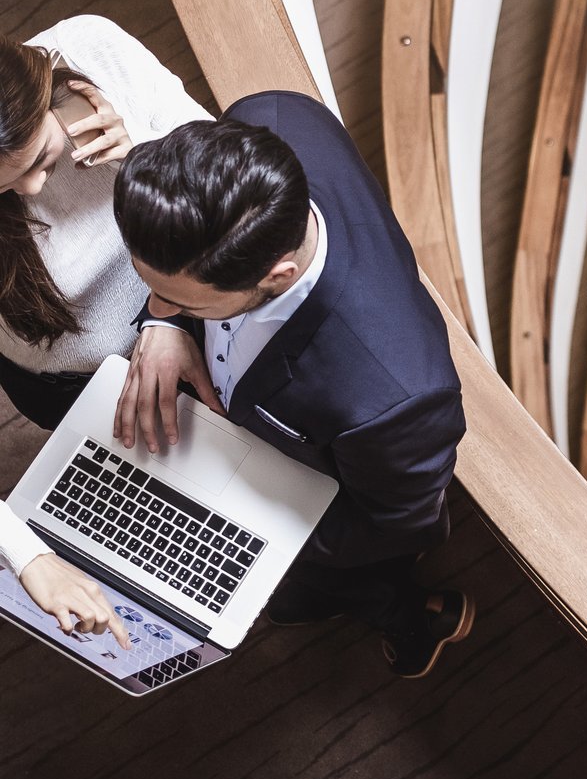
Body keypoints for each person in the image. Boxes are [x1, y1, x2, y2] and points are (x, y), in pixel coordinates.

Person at [111, 92, 471, 678]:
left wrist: (246, 533)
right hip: (242, 439)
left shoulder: (393, 395)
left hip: (306, 509)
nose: (155, 304)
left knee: (303, 591)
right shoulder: (269, 115)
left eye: (179, 300)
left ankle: (400, 611)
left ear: (277, 276)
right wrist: (165, 324)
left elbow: (391, 523)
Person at [0, 14, 208, 647]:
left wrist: (147, 150)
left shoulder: (91, 45)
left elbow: (232, 176)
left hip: (192, 301)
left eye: (37, 159)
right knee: (164, 506)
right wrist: (29, 558)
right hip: (61, 381)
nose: (34, 190)